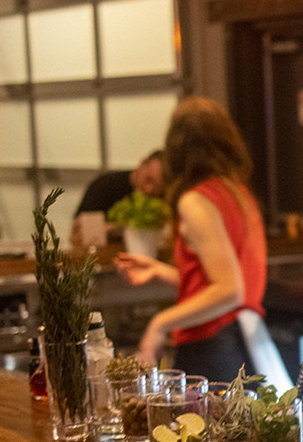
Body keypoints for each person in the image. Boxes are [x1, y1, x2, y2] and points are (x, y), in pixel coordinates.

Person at [115, 98, 267, 380]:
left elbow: (229, 290)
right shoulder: (237, 194)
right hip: (241, 346)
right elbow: (226, 283)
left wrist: (159, 324)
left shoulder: (196, 201)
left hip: (211, 347)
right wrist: (162, 271)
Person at [69, 149, 165, 249]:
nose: (149, 189)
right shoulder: (104, 186)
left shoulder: (164, 198)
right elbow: (77, 236)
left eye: (158, 186)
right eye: (148, 179)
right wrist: (121, 228)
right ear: (142, 164)